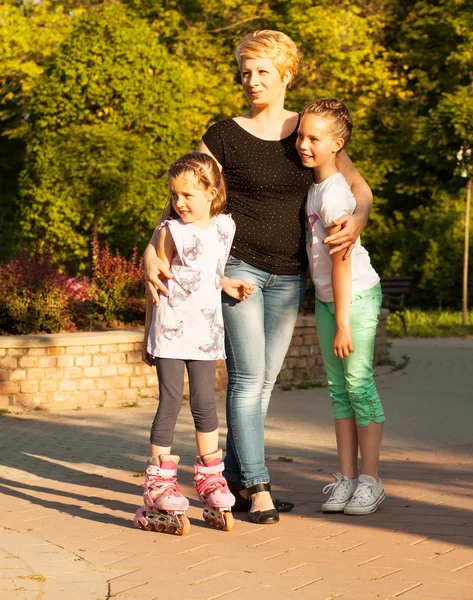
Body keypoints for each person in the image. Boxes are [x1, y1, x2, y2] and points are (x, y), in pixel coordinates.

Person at [145, 30, 373, 524]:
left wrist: (358, 219)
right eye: (245, 72)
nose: (251, 81)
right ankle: (258, 485)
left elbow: (357, 185)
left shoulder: (306, 133)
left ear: (287, 74)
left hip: (289, 277)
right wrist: (152, 243)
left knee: (264, 383)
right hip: (239, 271)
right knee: (247, 381)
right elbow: (184, 193)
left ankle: (234, 478)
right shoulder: (224, 133)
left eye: (262, 72)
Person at [134, 152, 255, 535]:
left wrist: (226, 283)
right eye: (174, 195)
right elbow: (155, 284)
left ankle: (210, 479)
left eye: (188, 194)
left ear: (212, 192)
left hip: (205, 333)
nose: (179, 202)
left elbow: (203, 272)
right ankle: (158, 484)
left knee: (204, 403)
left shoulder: (224, 228)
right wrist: (147, 334)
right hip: (170, 331)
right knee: (170, 402)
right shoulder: (170, 231)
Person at [298, 98, 385, 515]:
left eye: (314, 138)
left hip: (356, 299)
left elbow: (342, 259)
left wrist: (345, 323)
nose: (303, 144)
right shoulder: (316, 187)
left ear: (338, 144)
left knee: (359, 386)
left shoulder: (334, 194)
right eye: (301, 135)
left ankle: (370, 480)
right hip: (330, 301)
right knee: (339, 392)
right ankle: (347, 479)